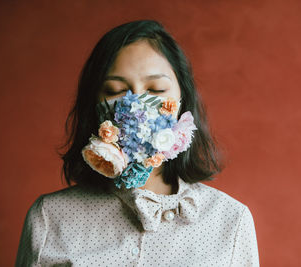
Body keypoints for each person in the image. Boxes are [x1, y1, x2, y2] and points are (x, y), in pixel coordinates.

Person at [15, 19, 259, 267]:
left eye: (156, 89)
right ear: (94, 106)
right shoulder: (49, 217)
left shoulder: (230, 220)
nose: (136, 105)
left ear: (182, 101)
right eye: (115, 91)